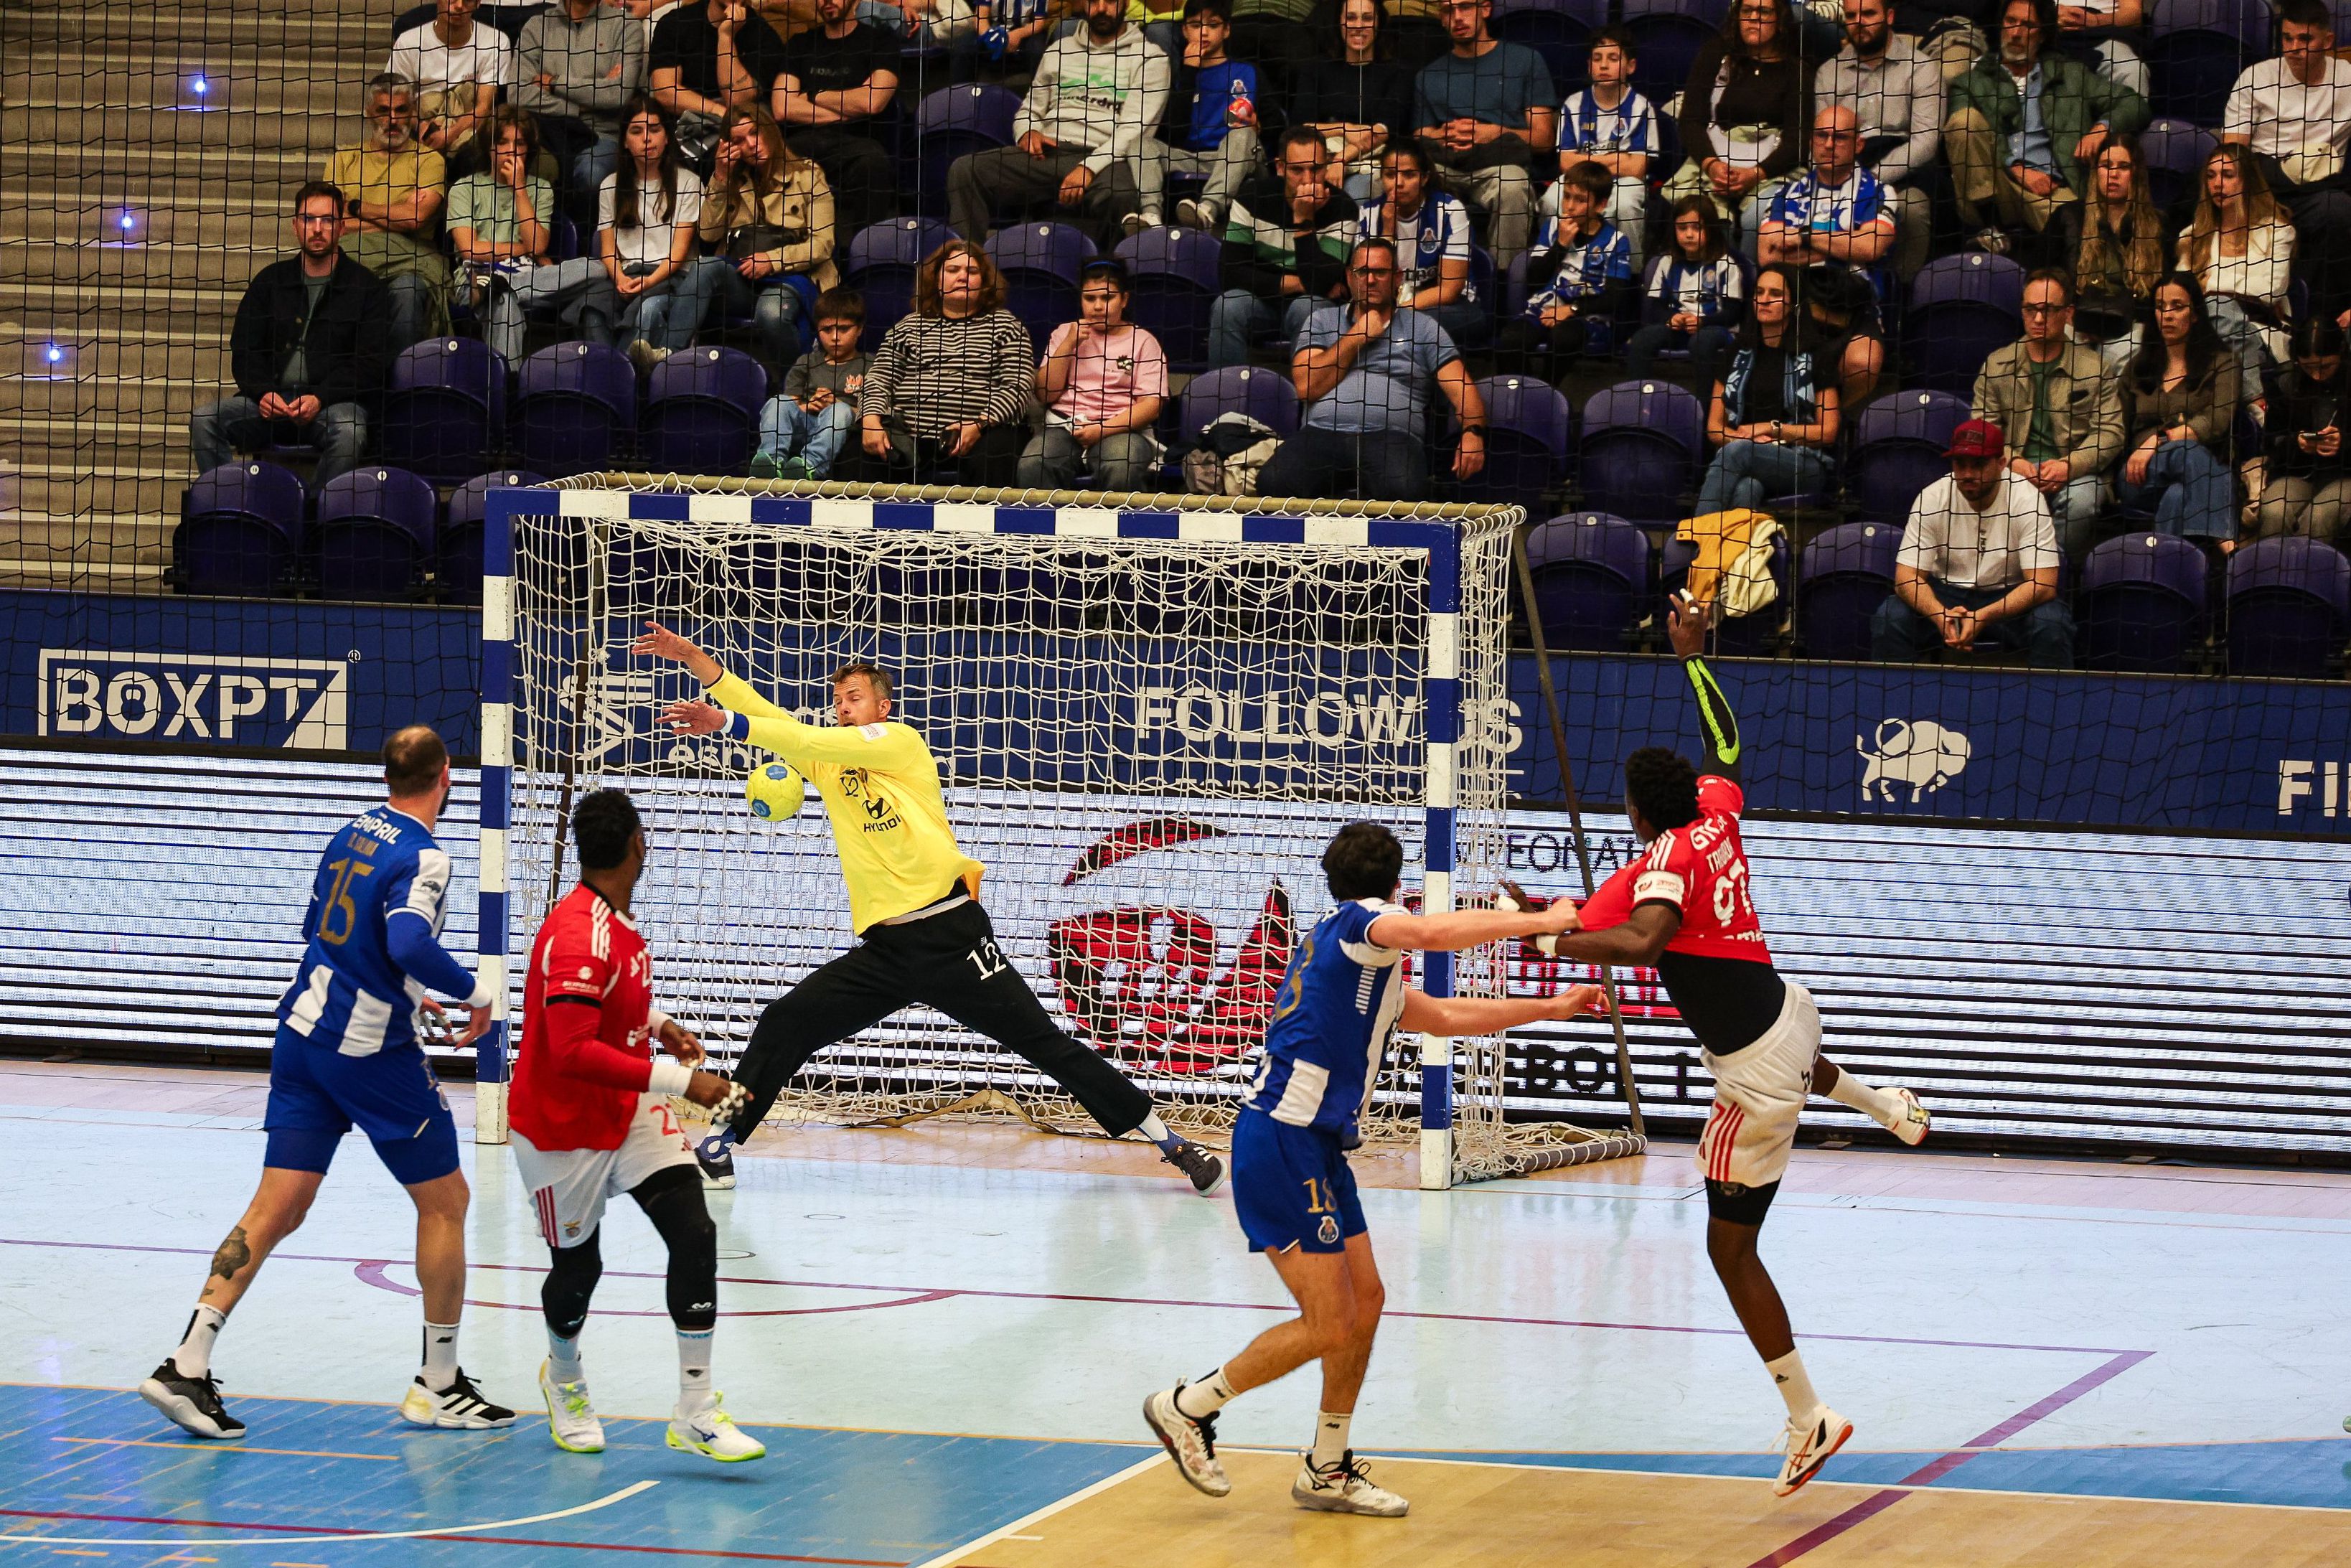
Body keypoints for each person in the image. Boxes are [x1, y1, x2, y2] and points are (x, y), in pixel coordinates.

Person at [1542, 598, 1932, 1498]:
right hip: (1791, 1012)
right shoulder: (1715, 816)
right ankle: (1888, 1106)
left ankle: (1809, 1415)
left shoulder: (1659, 866)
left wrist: (1551, 938)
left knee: (1730, 1252)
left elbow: (1640, 939)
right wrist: (1693, 657)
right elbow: (1725, 746)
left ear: (1635, 813)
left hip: (1754, 1080)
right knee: (1795, 1063)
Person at [632, 632, 1231, 1193]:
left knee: (1047, 1045)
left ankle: (1174, 1143)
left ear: (882, 707)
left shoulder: (901, 744)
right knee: (785, 1021)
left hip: (952, 938)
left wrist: (727, 723)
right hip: (888, 953)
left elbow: (804, 739)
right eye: (837, 701)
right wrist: (696, 661)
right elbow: (773, 720)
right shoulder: (831, 766)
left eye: (854, 698)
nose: (842, 708)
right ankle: (721, 1141)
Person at [1141, 822, 1595, 1518]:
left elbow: (1445, 1014)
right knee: (1329, 1322)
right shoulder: (1362, 924)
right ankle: (1188, 1405)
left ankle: (1326, 1466)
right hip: (1282, 1138)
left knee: (1367, 1302)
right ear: (1396, 887)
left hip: (1318, 1146)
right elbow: (1433, 933)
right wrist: (1541, 920)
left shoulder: (1359, 962)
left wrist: (1553, 1007)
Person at [137, 727, 511, 1441]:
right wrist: (478, 992)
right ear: (447, 776)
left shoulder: (351, 831)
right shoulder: (426, 855)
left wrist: (407, 992)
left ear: (386, 776)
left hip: (300, 1037)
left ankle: (186, 1361)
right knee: (447, 1202)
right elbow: (407, 940)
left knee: (276, 1206)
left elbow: (323, 928)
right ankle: (439, 1384)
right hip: (366, 1051)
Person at [512, 788, 766, 1463]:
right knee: (579, 1269)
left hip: (627, 1111)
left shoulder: (613, 922)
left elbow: (606, 998)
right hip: (561, 1127)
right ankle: (564, 1377)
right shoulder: (580, 933)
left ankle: (695, 1410)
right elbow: (570, 1050)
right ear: (637, 845)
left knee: (695, 1231)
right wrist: (683, 1080)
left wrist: (659, 1025)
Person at [191, 182, 391, 488]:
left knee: (350, 431)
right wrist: (263, 393)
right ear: (295, 225)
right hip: (270, 405)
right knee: (204, 420)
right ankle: (229, 502)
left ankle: (313, 512)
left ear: (342, 227)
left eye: (327, 220)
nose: (318, 229)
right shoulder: (270, 281)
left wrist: (320, 397)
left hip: (331, 406)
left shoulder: (367, 288)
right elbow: (244, 349)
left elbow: (370, 363)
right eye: (309, 219)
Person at [1257, 237, 1487, 502]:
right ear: (1349, 277)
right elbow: (1307, 387)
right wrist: (1356, 337)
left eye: (1380, 272)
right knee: (1272, 482)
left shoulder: (1424, 328)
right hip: (1322, 433)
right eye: (1362, 272)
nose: (1370, 280)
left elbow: (1463, 390)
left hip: (1392, 439)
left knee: (1406, 493)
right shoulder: (1322, 320)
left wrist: (1473, 433)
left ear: (1397, 278)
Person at [947, 0, 1170, 247]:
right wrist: (1028, 132)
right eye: (1093, 1)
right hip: (1050, 152)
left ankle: (1105, 268)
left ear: (1126, 3)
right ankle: (967, 261)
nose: (1101, 8)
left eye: (1110, 1)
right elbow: (1030, 109)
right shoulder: (1059, 50)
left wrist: (1088, 168)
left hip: (1107, 158)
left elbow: (1136, 129)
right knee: (966, 170)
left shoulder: (1151, 57)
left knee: (1122, 196)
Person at [1944, 0, 2148, 256]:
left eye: (2028, 25)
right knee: (1964, 122)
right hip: (1995, 186)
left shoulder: (2070, 74)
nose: (2016, 33)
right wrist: (2017, 168)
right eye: (2011, 22)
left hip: (2052, 188)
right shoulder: (1971, 82)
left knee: (2088, 244)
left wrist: (2101, 129)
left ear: (2042, 35)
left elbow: (2134, 104)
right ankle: (1990, 228)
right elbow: (1959, 133)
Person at [1869, 418, 2075, 665]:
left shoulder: (2027, 499)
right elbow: (1906, 578)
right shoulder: (1934, 497)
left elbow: (2043, 585)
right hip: (1945, 594)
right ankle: (1896, 690)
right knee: (1890, 617)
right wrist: (1940, 614)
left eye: (1978, 465)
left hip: (2010, 597)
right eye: (1960, 464)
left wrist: (1983, 616)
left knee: (2052, 622)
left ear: (2001, 464)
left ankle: (2047, 691)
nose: (1967, 474)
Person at [845, 241, 1034, 484]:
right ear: (935, 279)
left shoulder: (1007, 326)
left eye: (972, 271)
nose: (962, 277)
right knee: (856, 454)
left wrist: (979, 424)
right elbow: (878, 379)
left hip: (981, 434)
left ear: (985, 281)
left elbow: (1018, 387)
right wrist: (871, 420)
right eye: (953, 270)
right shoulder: (909, 326)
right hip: (909, 434)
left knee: (998, 452)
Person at [1970, 268, 2124, 555]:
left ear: (2068, 313)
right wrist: (2013, 461)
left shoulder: (2095, 367)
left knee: (2082, 502)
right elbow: (1982, 431)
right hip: (2012, 469)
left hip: (2075, 472)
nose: (2039, 319)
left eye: (2049, 310)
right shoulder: (1997, 365)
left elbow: (2110, 433)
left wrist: (2069, 465)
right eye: (2031, 310)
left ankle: (2053, 570)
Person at [1755, 105, 1897, 409]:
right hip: (1795, 304)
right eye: (1822, 136)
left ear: (1858, 144)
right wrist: (1845, 242)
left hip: (1853, 303)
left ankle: (1830, 422)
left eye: (1840, 137)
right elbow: (1768, 256)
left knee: (1863, 363)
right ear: (1812, 141)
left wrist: (1804, 238)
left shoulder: (1879, 192)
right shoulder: (1786, 194)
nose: (1829, 144)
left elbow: (1871, 247)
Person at [2221, 0, 2351, 329]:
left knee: (2337, 208)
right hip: (2263, 185)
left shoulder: (2347, 79)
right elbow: (2233, 153)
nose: (2294, 48)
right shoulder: (2256, 77)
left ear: (2328, 41)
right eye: (2287, 39)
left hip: (2318, 190)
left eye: (2305, 39)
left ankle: (2317, 322)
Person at [686, 105, 838, 370]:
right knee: (704, 267)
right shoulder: (732, 181)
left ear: (769, 130)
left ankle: (796, 382)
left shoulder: (808, 175)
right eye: (739, 141)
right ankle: (668, 357)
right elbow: (708, 234)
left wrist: (772, 260)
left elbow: (823, 244)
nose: (751, 145)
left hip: (795, 277)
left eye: (755, 133)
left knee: (770, 313)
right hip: (744, 279)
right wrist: (721, 177)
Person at [1411, 0, 1555, 268]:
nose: (1457, 17)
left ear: (1486, 9)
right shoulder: (1429, 75)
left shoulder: (1525, 61)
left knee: (1513, 186)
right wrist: (1441, 134)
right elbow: (1419, 135)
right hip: (1445, 166)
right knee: (1392, 176)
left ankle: (1504, 282)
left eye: (1465, 7)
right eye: (1448, 10)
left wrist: (1496, 133)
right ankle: (1414, 272)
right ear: (1441, 18)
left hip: (1499, 165)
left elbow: (1544, 139)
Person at [1811, 0, 1943, 283]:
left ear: (1890, 16)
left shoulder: (1922, 68)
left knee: (1912, 209)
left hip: (1902, 172)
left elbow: (1926, 141)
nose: (1859, 22)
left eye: (1869, 13)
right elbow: (1822, 138)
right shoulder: (1828, 72)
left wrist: (1870, 180)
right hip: (1842, 168)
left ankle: (1902, 293)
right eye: (1851, 15)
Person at [1206, 126, 1358, 368]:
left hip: (1310, 305)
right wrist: (1299, 283)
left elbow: (1321, 282)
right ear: (1280, 168)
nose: (1308, 180)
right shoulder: (1251, 198)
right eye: (1297, 170)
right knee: (1228, 306)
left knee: (1307, 307)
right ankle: (1226, 389)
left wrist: (1303, 221)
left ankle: (1307, 390)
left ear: (1327, 166)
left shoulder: (1344, 209)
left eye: (1316, 169)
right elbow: (1230, 273)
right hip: (1259, 302)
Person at [1668, 0, 1809, 255]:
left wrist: (1755, 174)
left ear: (1779, 21)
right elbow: (1690, 121)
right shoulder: (1715, 56)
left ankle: (1750, 279)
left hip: (1770, 170)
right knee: (1705, 219)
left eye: (1763, 11)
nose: (1754, 17)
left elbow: (1798, 141)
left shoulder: (1797, 71)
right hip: (1714, 163)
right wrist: (1712, 165)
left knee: (1758, 218)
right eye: (1747, 10)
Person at [1694, 263, 1838, 515]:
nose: (1764, 299)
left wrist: (1772, 429)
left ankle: (1697, 534)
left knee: (1739, 453)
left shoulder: (1817, 354)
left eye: (1775, 294)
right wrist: (1747, 441)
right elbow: (1715, 428)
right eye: (1759, 292)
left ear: (1794, 304)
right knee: (1747, 489)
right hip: (1746, 456)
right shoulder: (1736, 352)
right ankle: (1735, 542)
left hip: (1803, 464)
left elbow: (1828, 432)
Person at [324, 74, 452, 349]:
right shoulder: (343, 160)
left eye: (401, 110)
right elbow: (332, 224)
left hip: (410, 261)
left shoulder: (429, 160)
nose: (392, 119)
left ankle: (400, 375)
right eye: (383, 110)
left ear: (413, 112)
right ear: (369, 112)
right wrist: (399, 215)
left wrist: (356, 207)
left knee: (408, 292)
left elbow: (416, 218)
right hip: (353, 258)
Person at [1018, 259, 1170, 489]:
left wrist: (1102, 430)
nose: (1098, 306)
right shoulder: (1065, 333)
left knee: (1122, 467)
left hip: (1121, 429)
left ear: (1124, 300)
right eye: (1090, 299)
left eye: (1107, 298)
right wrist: (1068, 344)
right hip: (1065, 427)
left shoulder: (1143, 341)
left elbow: (1151, 405)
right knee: (1033, 464)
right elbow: (1046, 394)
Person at [2118, 273, 2241, 545]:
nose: (2168, 315)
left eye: (2177, 306)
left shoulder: (2223, 364)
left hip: (2202, 471)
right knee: (2193, 456)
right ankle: (2227, 548)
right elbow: (2117, 428)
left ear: (2195, 314)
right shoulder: (2136, 368)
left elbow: (2218, 421)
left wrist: (2160, 439)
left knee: (2177, 494)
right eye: (2160, 307)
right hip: (2140, 475)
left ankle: (2167, 564)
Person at [599, 97, 716, 370]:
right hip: (626, 276)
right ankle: (607, 371)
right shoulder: (610, 186)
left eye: (654, 129)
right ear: (625, 141)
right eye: (636, 131)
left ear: (667, 138)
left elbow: (679, 254)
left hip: (673, 279)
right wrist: (620, 279)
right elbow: (607, 248)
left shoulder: (689, 183)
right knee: (592, 308)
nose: (647, 138)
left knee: (649, 310)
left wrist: (649, 281)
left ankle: (622, 377)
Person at [771, 0, 901, 242]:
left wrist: (814, 95)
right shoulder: (801, 44)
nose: (827, 2)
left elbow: (872, 102)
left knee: (875, 166)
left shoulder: (881, 41)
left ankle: (863, 252)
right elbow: (782, 107)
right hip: (802, 143)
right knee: (767, 157)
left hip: (857, 144)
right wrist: (847, 108)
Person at [2178, 144, 2295, 394]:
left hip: (2260, 333)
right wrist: (2232, 288)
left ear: (2247, 181)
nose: (2217, 184)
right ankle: (2255, 403)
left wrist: (2209, 285)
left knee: (2218, 308)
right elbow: (2180, 294)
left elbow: (2269, 291)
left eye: (2227, 175)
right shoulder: (2193, 236)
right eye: (2211, 176)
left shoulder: (2277, 232)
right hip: (2203, 335)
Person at [1496, 159, 1632, 369]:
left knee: (1563, 339)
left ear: (1600, 205)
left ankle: (1549, 388)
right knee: (1510, 340)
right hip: (1544, 308)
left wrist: (1572, 309)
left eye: (1580, 200)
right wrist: (1560, 245)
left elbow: (1615, 297)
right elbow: (1534, 280)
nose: (1569, 206)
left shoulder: (1617, 241)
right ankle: (1525, 386)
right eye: (1567, 196)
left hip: (1588, 316)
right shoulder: (1553, 227)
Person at [514, 0, 647, 211]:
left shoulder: (626, 26)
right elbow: (518, 94)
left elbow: (617, 94)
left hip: (602, 135)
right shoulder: (537, 25)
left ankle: (585, 232)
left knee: (591, 174)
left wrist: (555, 83)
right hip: (547, 131)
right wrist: (583, 105)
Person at [1145, 0, 1262, 235]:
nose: (1204, 32)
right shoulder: (1179, 76)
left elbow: (1277, 123)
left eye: (1213, 25)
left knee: (1242, 134)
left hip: (1235, 157)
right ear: (1184, 31)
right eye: (1196, 25)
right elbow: (1175, 132)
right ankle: (1150, 216)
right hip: (1189, 156)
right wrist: (1190, 70)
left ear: (1226, 30)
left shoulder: (1247, 71)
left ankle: (1208, 209)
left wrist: (1259, 126)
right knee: (1140, 144)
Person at [1353, 141, 1485, 349]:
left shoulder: (1450, 210)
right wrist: (1387, 232)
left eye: (1409, 175)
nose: (1399, 183)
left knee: (1411, 328)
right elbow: (1364, 282)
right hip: (1388, 305)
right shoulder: (1369, 214)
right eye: (1391, 175)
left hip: (1448, 307)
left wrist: (1397, 314)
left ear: (1424, 178)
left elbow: (1449, 290)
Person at [1545, 27, 1658, 270]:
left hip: (1624, 183)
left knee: (1625, 205)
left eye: (1613, 58)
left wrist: (1586, 161)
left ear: (1631, 66)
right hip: (1579, 181)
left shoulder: (1641, 107)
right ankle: (1557, 267)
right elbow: (1565, 163)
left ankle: (1631, 273)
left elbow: (1637, 168)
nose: (1604, 65)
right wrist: (1617, 159)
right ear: (1589, 66)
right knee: (1551, 200)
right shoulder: (1573, 104)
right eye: (1597, 59)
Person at [1290, 0, 1416, 204]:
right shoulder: (1315, 68)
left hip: (1371, 163)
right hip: (1319, 161)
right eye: (1351, 18)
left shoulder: (1400, 72)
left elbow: (1383, 130)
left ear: (1379, 23)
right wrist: (1345, 129)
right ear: (1339, 22)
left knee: (1354, 197)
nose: (1358, 26)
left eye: (1367, 18)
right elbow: (1301, 128)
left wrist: (1342, 159)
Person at [2057, 131, 2163, 361]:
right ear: (2096, 172)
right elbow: (2045, 275)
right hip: (2076, 324)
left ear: (2136, 174)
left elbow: (2161, 292)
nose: (2113, 174)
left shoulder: (2158, 225)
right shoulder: (2068, 216)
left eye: (2123, 167)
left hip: (2130, 329)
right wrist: (2066, 311)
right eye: (2106, 166)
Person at [649, 0, 789, 171]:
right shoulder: (675, 23)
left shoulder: (764, 35)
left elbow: (737, 101)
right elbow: (665, 92)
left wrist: (726, 37)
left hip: (742, 128)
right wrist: (717, 110)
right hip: (687, 126)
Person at [1625, 195, 1747, 381]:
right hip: (1679, 329)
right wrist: (1671, 318)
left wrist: (1702, 322)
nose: (1689, 234)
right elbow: (1656, 307)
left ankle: (1705, 399)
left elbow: (1733, 313)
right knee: (1643, 339)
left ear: (1711, 230)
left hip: (1716, 330)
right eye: (1682, 228)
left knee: (1702, 342)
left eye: (1697, 228)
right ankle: (1639, 394)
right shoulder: (1666, 262)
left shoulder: (1725, 264)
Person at [388, 0, 515, 175]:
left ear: (478, 3)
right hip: (422, 125)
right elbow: (396, 99)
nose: (459, 5)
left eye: (467, 0)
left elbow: (484, 107)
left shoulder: (496, 41)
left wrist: (452, 133)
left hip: (470, 131)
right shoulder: (408, 42)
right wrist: (421, 125)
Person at [753, 286, 868, 479]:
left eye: (844, 329)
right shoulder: (807, 362)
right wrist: (810, 406)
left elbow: (878, 415)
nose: (835, 337)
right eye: (827, 330)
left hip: (846, 435)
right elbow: (791, 406)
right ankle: (770, 461)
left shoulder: (870, 365)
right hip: (804, 427)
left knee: (838, 411)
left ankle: (810, 466)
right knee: (778, 402)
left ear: (860, 329)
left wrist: (837, 404)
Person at [2256, 319, 2350, 540]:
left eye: (2325, 367)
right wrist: (2297, 443)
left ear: (2342, 352)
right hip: (2301, 472)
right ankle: (2273, 563)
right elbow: (2271, 441)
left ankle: (2310, 565)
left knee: (2319, 517)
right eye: (2308, 367)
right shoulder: (2287, 381)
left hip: (2346, 474)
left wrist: (2344, 442)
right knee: (2274, 510)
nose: (2317, 375)